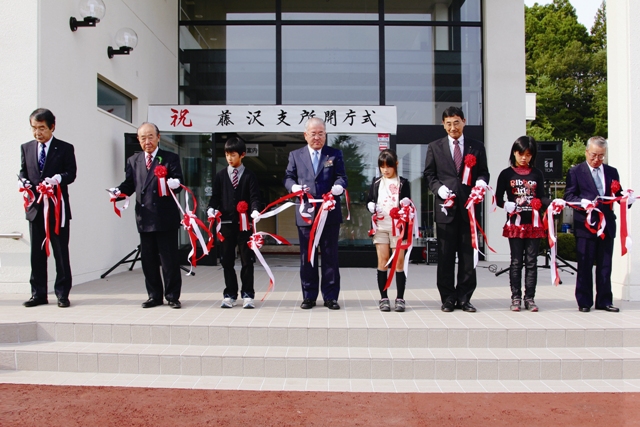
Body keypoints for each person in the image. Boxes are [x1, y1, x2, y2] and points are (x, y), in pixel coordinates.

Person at [110, 122, 184, 309]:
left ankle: (172, 296)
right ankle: (154, 296)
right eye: (143, 138)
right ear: (138, 140)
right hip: (144, 217)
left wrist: (174, 183)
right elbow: (129, 184)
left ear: (158, 137)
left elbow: (180, 182)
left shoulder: (170, 158)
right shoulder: (133, 161)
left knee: (169, 261)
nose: (147, 141)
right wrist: (118, 192)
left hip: (165, 218)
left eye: (150, 136)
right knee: (148, 260)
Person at [423, 106, 490, 313]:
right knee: (445, 256)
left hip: (469, 209)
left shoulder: (476, 147)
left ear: (464, 121)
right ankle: (448, 298)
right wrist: (439, 189)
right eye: (449, 123)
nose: (453, 127)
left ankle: (465, 297)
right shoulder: (435, 146)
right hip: (446, 209)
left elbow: (484, 172)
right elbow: (429, 175)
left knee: (467, 256)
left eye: (456, 122)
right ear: (443, 125)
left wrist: (480, 184)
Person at [284, 117, 348, 310]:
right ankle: (309, 296)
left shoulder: (334, 154)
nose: (317, 137)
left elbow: (342, 177)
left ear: (325, 135)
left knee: (330, 256)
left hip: (329, 213)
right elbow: (288, 177)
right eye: (313, 133)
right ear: (305, 135)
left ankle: (330, 297)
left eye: (321, 133)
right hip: (306, 214)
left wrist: (338, 187)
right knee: (307, 256)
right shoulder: (296, 155)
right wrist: (294, 187)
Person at [19, 108, 77, 308]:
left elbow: (71, 173)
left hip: (57, 209)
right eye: (34, 128)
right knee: (37, 253)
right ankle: (38, 294)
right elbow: (23, 172)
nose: (38, 133)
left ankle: (62, 294)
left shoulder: (65, 148)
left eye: (42, 128)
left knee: (61, 253)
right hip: (36, 211)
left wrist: (57, 179)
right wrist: (24, 183)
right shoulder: (26, 148)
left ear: (52, 126)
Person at [564, 136, 628, 313]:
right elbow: (569, 196)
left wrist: (626, 199)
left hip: (607, 224)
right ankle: (584, 301)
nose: (597, 160)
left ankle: (604, 300)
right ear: (586, 152)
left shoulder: (611, 172)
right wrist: (583, 203)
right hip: (586, 223)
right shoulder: (576, 171)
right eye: (593, 155)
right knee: (584, 264)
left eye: (601, 156)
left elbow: (618, 193)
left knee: (605, 264)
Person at [495, 136, 549, 312]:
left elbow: (542, 196)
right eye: (520, 153)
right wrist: (505, 205)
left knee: (532, 262)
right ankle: (516, 297)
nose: (524, 158)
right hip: (515, 224)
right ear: (514, 153)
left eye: (528, 154)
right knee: (516, 261)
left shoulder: (537, 174)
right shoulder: (506, 174)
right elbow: (497, 198)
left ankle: (530, 298)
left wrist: (552, 204)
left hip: (534, 224)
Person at [207, 136, 261, 309]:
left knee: (247, 260)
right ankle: (230, 294)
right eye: (227, 154)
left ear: (242, 155)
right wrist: (211, 208)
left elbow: (255, 197)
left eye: (233, 154)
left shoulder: (250, 176)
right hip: (226, 225)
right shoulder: (221, 176)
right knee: (227, 261)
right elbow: (215, 197)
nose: (229, 158)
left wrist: (255, 210)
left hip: (245, 226)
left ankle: (248, 294)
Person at [366, 149, 411, 312]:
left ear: (396, 165)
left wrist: (407, 205)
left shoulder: (404, 183)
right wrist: (370, 206)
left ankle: (400, 297)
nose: (385, 170)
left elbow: (409, 205)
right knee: (382, 261)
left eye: (389, 166)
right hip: (381, 227)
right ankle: (384, 297)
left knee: (399, 262)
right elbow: (369, 200)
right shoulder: (376, 182)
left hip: (399, 228)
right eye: (382, 166)